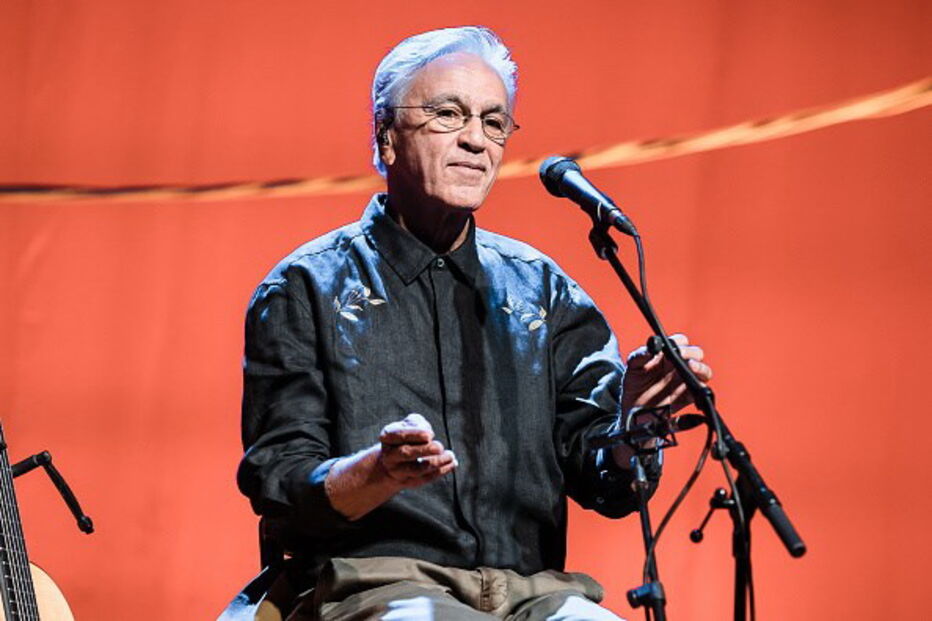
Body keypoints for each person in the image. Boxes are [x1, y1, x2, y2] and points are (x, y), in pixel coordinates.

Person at [237, 26, 712, 621]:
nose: (476, 140)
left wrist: (634, 423)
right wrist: (374, 473)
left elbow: (606, 485)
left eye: (493, 122)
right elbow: (280, 482)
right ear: (386, 137)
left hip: (535, 592)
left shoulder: (543, 291)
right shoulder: (306, 288)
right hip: (373, 585)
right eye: (448, 114)